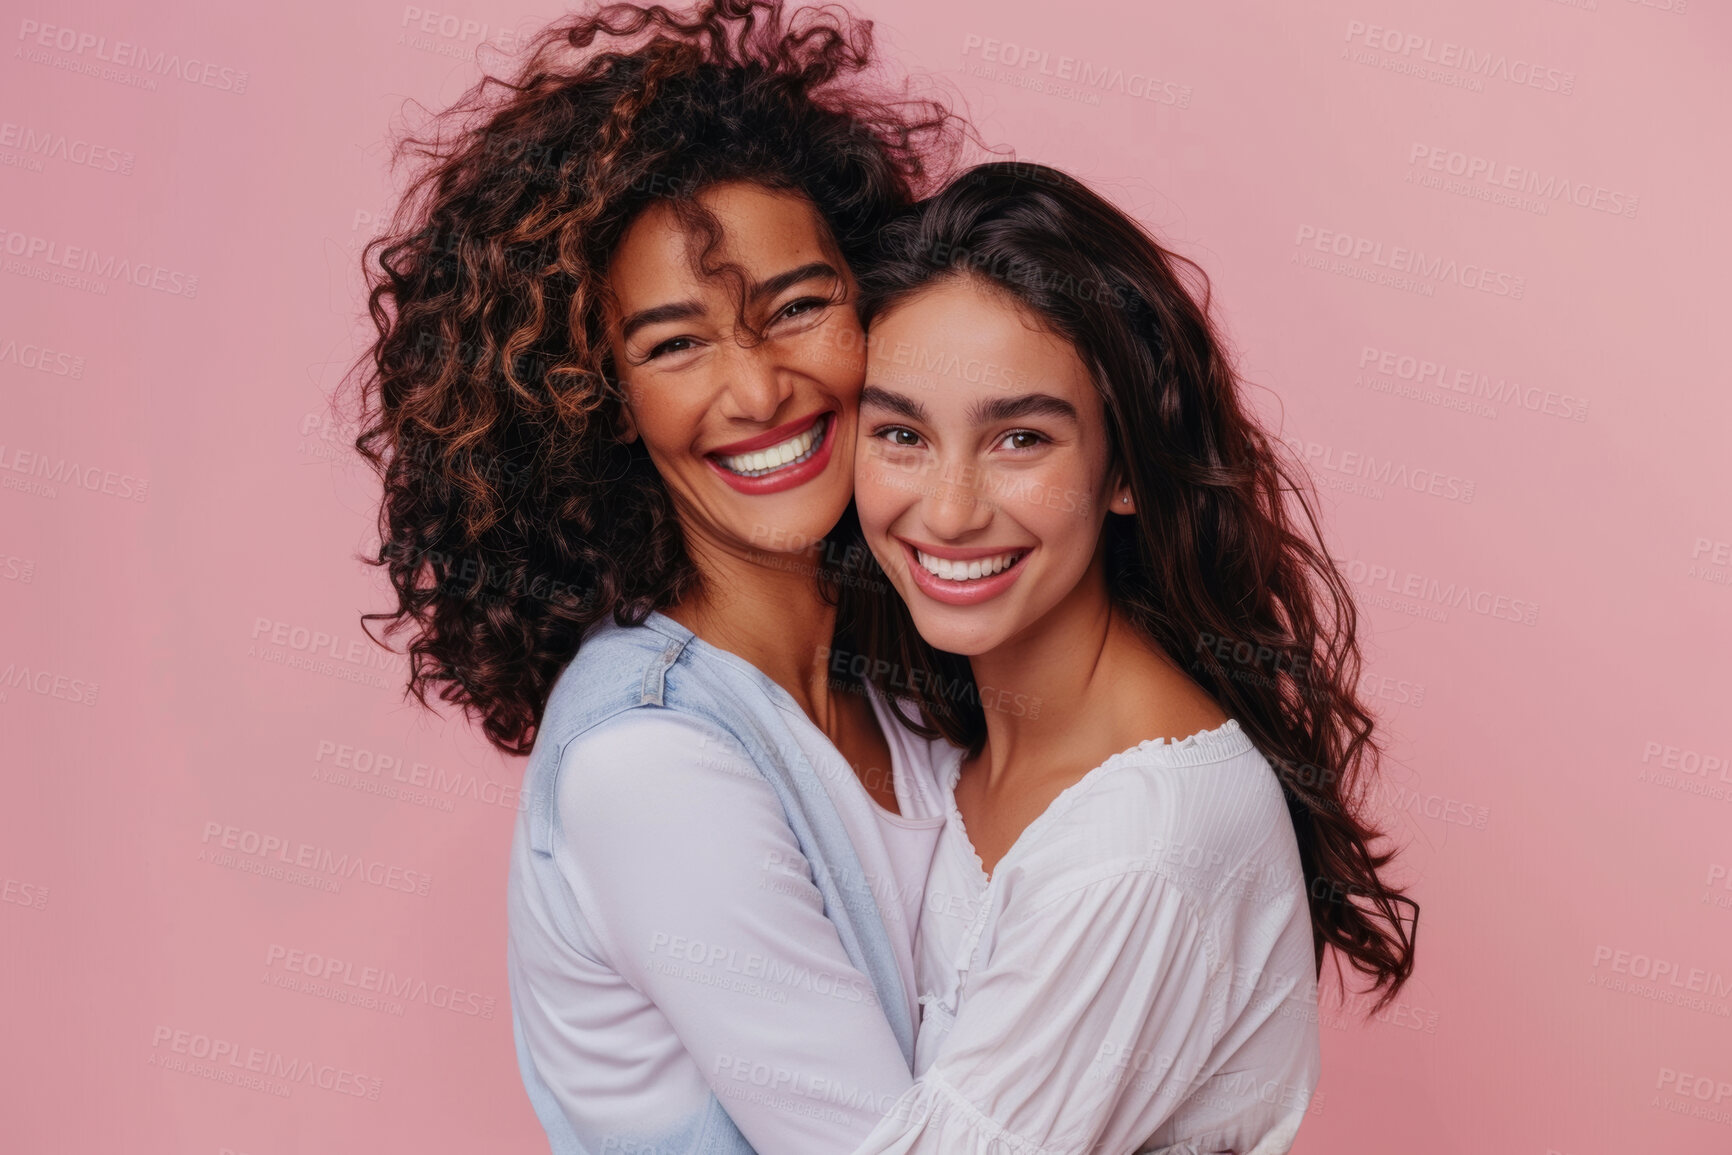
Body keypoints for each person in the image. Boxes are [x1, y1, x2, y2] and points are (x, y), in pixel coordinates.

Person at [349, 2, 968, 1151]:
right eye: (675, 344)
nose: (759, 391)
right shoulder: (650, 763)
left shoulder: (910, 671)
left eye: (796, 308)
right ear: (598, 397)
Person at [840, 162, 1420, 1152]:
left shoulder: (1138, 851)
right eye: (900, 432)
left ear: (1126, 469)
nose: (945, 510)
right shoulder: (936, 722)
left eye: (1019, 438)